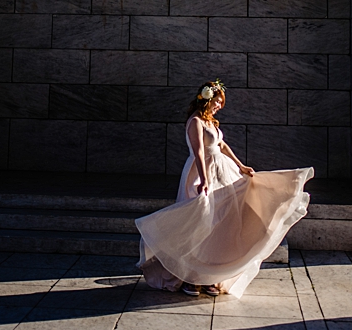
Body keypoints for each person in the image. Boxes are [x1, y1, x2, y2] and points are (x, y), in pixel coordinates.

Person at [135, 79, 314, 298]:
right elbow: (199, 152)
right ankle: (192, 279)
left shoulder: (212, 123)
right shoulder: (195, 122)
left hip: (222, 171)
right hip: (203, 172)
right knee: (201, 223)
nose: (220, 105)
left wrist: (240, 165)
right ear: (207, 98)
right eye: (217, 101)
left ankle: (211, 277)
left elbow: (222, 145)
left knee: (221, 224)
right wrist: (204, 178)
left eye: (221, 102)